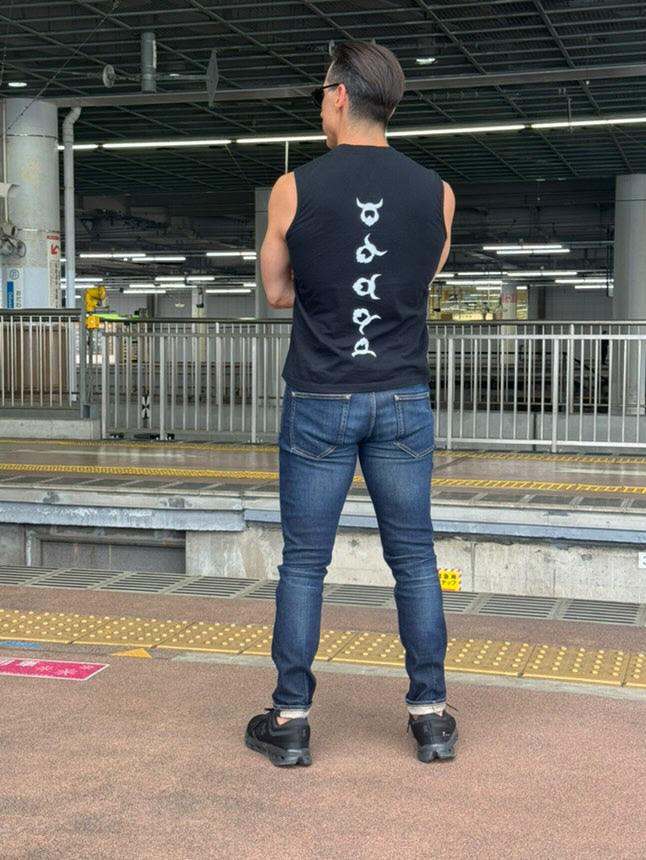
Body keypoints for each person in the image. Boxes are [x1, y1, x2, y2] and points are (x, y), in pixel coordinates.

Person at [245, 40, 457, 767]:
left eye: (320, 92)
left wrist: (330, 289)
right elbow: (415, 283)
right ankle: (430, 715)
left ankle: (293, 720)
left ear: (338, 95)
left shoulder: (293, 186)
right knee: (415, 559)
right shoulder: (437, 190)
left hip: (319, 398)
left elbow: (276, 292)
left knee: (305, 564)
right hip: (402, 397)